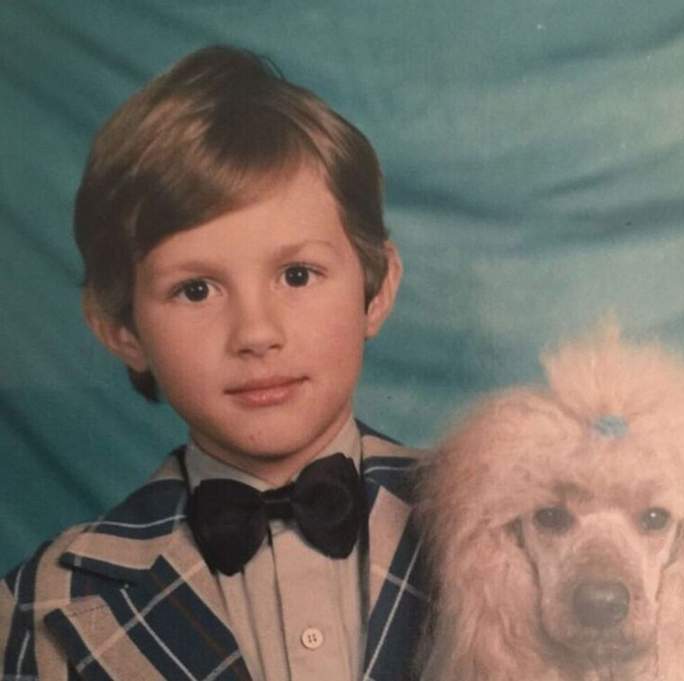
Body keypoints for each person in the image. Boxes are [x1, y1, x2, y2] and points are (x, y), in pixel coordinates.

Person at [0, 45, 426, 681]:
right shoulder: (38, 610)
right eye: (196, 290)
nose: (255, 333)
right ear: (121, 328)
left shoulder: (509, 525)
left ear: (378, 288)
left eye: (297, 274)